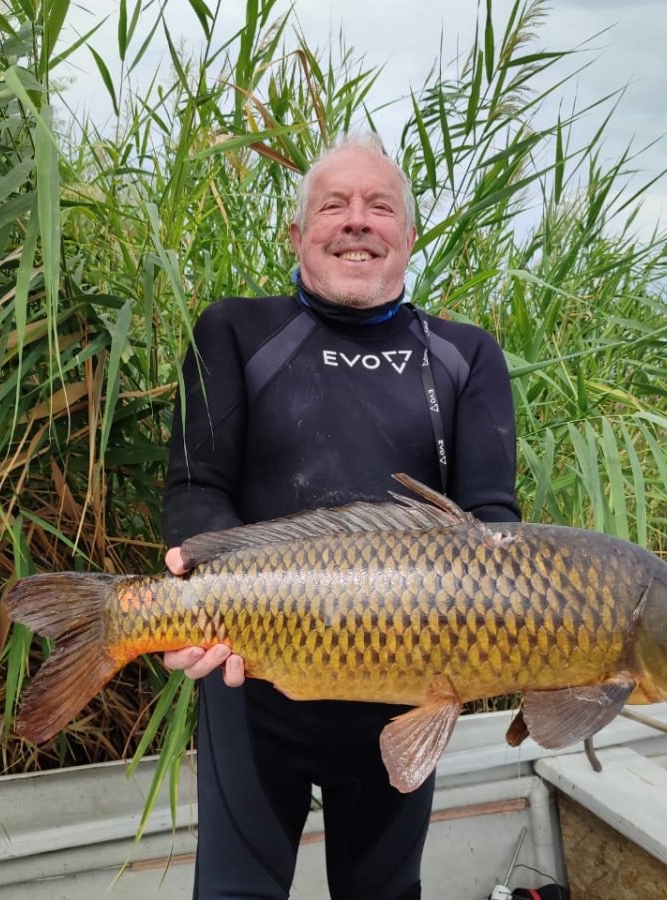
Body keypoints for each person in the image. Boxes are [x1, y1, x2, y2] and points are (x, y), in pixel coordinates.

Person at [161, 132, 521, 900]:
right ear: (297, 234)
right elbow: (197, 486)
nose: (357, 220)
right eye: (334, 205)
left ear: (409, 236)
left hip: (410, 684)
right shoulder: (233, 331)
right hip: (253, 671)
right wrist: (200, 597)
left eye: (379, 206)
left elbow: (494, 520)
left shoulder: (466, 355)